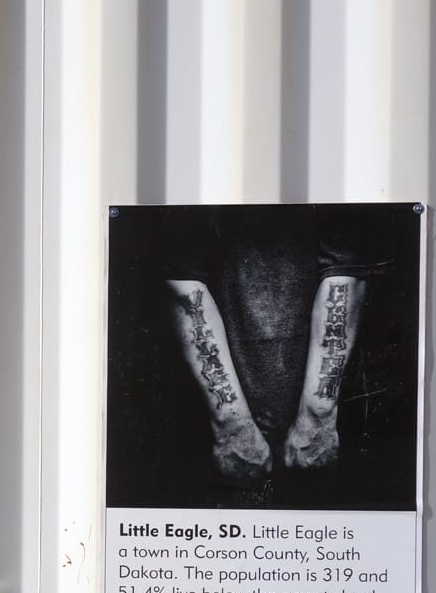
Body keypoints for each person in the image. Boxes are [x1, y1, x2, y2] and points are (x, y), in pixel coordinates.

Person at [157, 205, 395, 485]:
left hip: (334, 418)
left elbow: (347, 266)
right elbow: (181, 273)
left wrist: (318, 416)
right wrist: (231, 424)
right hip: (215, 423)